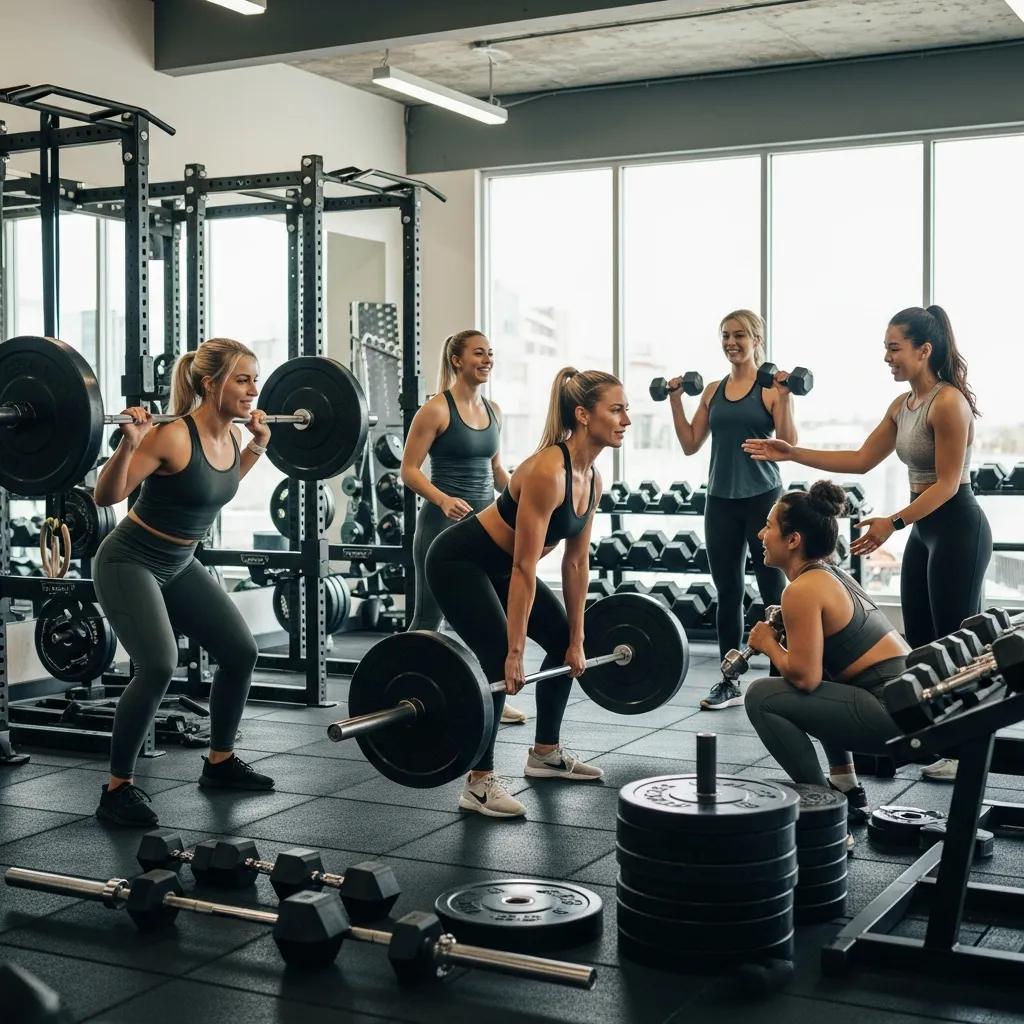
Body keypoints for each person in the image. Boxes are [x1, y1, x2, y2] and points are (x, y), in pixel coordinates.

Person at [743, 305, 991, 782]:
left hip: (957, 524)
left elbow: (946, 483)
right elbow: (860, 460)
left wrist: (892, 524)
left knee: (956, 640)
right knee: (922, 641)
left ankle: (963, 749)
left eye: (894, 349)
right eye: (886, 349)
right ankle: (931, 734)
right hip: (926, 527)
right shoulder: (902, 407)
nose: (887, 358)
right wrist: (793, 453)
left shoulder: (948, 403)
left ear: (924, 350)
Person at [424, 367, 629, 818]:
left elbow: (576, 564)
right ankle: (478, 783)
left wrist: (576, 638)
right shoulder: (545, 472)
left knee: (559, 643)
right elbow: (522, 566)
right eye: (616, 410)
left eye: (625, 410)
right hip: (460, 563)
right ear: (583, 414)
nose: (626, 420)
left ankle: (545, 754)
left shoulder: (592, 478)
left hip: (503, 568)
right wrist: (515, 651)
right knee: (497, 657)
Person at [91, 338, 274, 826]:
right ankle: (117, 789)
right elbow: (105, 496)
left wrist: (257, 445)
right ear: (209, 383)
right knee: (157, 664)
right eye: (242, 379)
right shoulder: (171, 436)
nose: (253, 389)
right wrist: (129, 444)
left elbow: (222, 483)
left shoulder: (231, 437)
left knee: (240, 651)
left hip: (179, 562)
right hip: (129, 560)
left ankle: (219, 762)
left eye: (255, 379)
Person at [743, 481, 911, 828]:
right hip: (907, 701)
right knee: (821, 672)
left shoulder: (802, 590)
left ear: (793, 540)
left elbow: (805, 677)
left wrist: (767, 643)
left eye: (769, 526)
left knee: (761, 696)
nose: (761, 534)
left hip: (891, 712)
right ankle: (846, 788)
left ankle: (823, 813)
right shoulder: (831, 574)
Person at [664, 309, 792, 710]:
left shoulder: (769, 388)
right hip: (719, 499)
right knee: (729, 591)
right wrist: (674, 401)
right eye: (725, 336)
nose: (731, 342)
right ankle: (729, 680)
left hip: (763, 498)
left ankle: (778, 681)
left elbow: (789, 444)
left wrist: (786, 397)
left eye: (739, 335)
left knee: (773, 591)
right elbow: (689, 443)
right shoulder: (714, 390)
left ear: (757, 340)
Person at [401, 330, 525, 725]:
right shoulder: (436, 410)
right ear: (457, 360)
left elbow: (495, 470)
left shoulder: (494, 411)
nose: (487, 359)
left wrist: (523, 498)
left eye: (490, 353)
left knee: (493, 620)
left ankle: (494, 696)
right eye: (478, 353)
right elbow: (408, 470)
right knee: (428, 618)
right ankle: (401, 686)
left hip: (486, 529)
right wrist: (441, 498)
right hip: (441, 525)